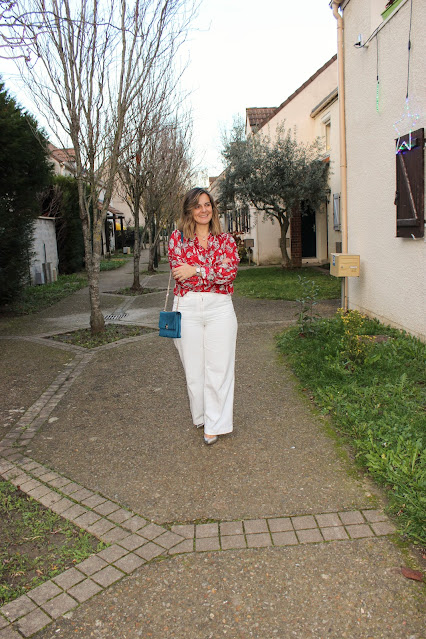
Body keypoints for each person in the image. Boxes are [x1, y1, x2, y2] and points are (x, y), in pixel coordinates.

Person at [168, 187, 239, 445]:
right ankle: (201, 415)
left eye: (207, 204)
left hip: (220, 308)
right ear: (189, 210)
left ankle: (215, 424)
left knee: (219, 368)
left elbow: (228, 274)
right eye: (197, 205)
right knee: (194, 370)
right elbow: (180, 275)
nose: (203, 210)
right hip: (187, 308)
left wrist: (196, 269)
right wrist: (209, 271)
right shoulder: (177, 239)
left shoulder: (226, 240)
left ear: (213, 209)